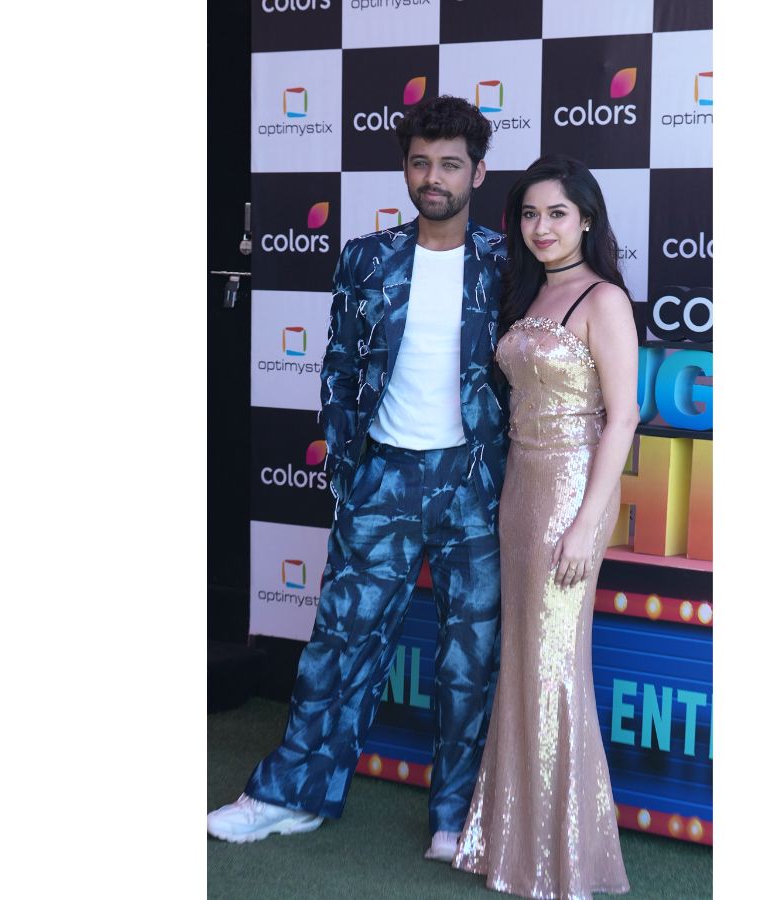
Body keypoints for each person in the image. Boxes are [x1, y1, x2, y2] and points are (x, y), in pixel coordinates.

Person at [207, 96, 510, 861]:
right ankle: (291, 795)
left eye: (449, 164)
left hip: (477, 487)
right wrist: (350, 464)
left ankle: (457, 816)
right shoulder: (367, 257)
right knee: (339, 642)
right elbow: (338, 364)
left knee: (470, 659)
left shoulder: (509, 263)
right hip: (383, 476)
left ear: (478, 172)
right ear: (405, 168)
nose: (433, 177)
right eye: (420, 162)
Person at [452, 156, 639, 898]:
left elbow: (622, 417)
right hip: (520, 491)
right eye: (529, 214)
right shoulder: (527, 291)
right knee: (523, 662)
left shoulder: (603, 298)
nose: (542, 227)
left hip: (571, 497)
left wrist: (586, 524)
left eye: (557, 213)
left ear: (586, 219)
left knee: (555, 667)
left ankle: (562, 858)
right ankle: (509, 840)